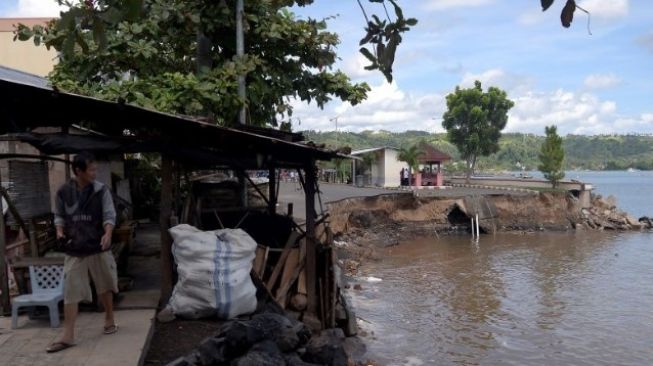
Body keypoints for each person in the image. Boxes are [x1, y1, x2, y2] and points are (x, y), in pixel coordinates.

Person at [46, 152, 118, 353]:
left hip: (97, 245)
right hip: (74, 247)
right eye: (92, 169)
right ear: (78, 171)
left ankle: (109, 317)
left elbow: (109, 215)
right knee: (71, 290)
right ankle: (68, 335)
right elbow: (59, 216)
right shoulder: (63, 192)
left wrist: (108, 233)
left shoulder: (101, 190)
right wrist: (60, 232)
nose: (95, 172)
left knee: (104, 284)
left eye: (95, 168)